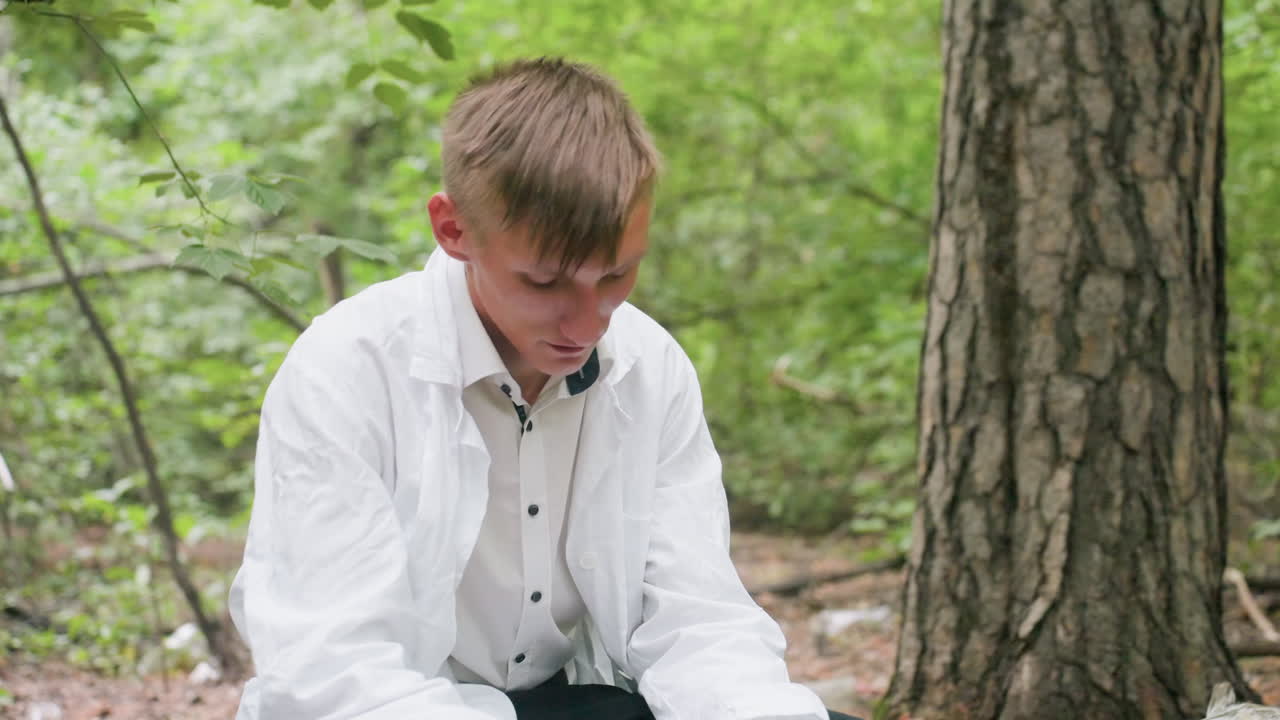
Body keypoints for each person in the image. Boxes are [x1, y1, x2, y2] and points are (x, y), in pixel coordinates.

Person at [228, 57, 863, 720]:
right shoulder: (346, 370)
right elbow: (333, 671)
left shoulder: (648, 366)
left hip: (575, 701)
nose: (588, 324)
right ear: (453, 230)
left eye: (616, 276)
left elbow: (696, 624)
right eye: (545, 283)